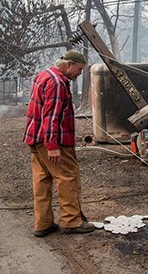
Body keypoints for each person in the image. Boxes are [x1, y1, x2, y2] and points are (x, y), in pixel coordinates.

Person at [23, 50, 95, 237]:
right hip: (53, 141)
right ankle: (71, 221)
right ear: (69, 65)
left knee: (42, 180)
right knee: (67, 177)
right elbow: (51, 116)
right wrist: (52, 146)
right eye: (79, 69)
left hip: (35, 138)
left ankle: (43, 223)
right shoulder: (57, 83)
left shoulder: (44, 75)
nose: (79, 74)